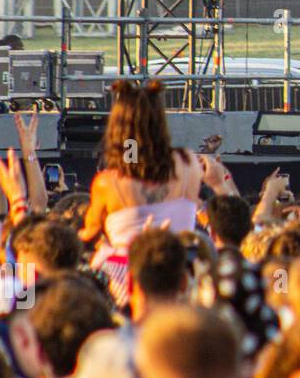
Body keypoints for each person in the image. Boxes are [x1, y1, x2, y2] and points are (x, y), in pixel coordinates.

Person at [81, 81, 206, 307]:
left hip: (124, 286)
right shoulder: (189, 164)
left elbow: (90, 231)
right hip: (182, 278)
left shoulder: (108, 182)